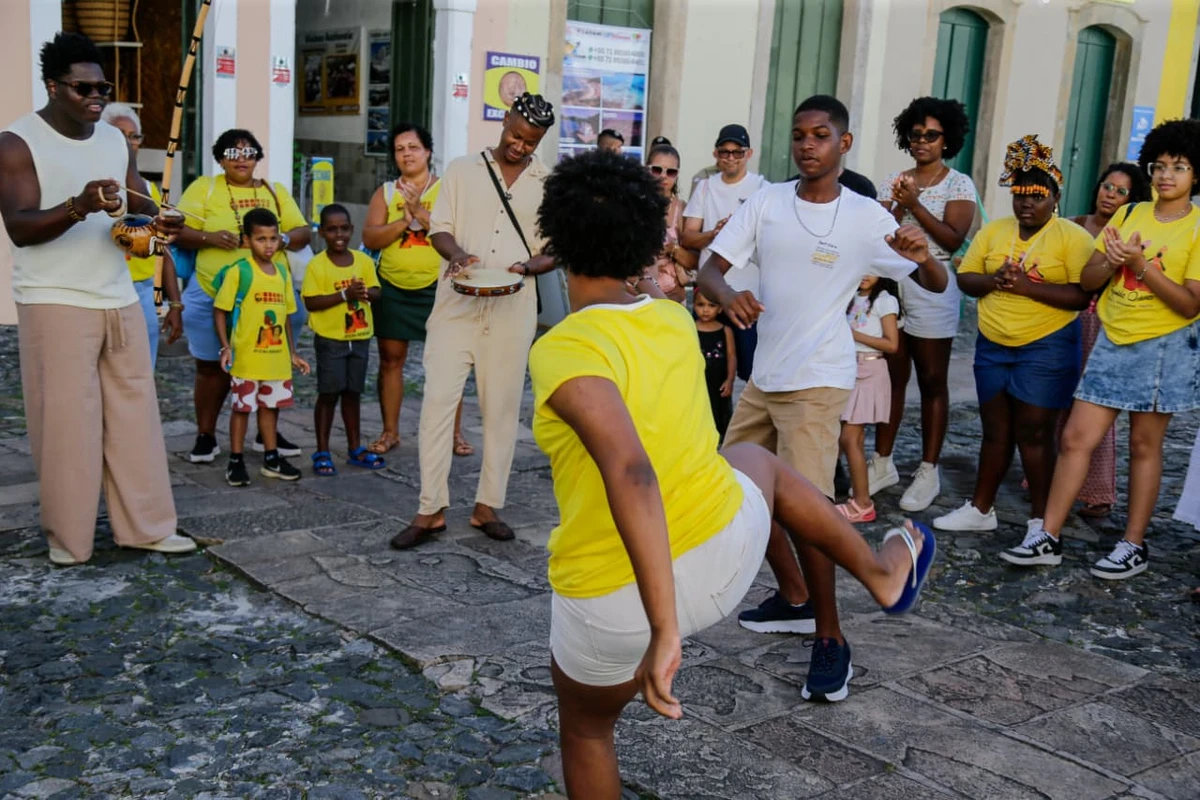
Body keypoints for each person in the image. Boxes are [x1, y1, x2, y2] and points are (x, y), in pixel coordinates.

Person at [530, 149, 934, 799]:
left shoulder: (564, 349)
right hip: (725, 557)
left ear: (554, 243)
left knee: (586, 732)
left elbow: (631, 472)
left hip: (622, 599)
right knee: (755, 460)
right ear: (646, 242)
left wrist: (664, 627)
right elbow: (651, 307)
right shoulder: (670, 317)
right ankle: (879, 572)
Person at [697, 95, 946, 702]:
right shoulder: (767, 201)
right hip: (765, 378)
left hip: (819, 377)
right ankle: (796, 598)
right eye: (799, 135)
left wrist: (923, 257)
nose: (807, 145)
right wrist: (727, 296)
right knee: (733, 494)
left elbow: (937, 281)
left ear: (844, 143)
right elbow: (709, 268)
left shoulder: (864, 216)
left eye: (820, 135)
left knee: (809, 515)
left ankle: (831, 636)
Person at [0, 31, 195, 564]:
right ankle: (70, 539)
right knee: (68, 426)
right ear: (53, 87)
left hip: (118, 295)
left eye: (102, 88)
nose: (95, 97)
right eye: (83, 88)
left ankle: (147, 527)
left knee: (137, 417)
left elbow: (136, 208)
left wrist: (161, 223)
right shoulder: (16, 143)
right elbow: (20, 227)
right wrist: (78, 206)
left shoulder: (112, 139)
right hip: (54, 299)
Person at [1003, 120, 1200, 579]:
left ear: (1196, 174)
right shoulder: (1129, 215)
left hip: (1164, 347)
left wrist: (1140, 265)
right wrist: (1110, 262)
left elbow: (1190, 304)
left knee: (1144, 445)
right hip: (1113, 338)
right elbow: (1089, 280)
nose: (1166, 175)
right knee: (1075, 438)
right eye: (1159, 165)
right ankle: (1047, 535)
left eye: (1179, 167)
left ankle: (1133, 544)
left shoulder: (1197, 227)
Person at [390, 93, 559, 549]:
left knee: (501, 410)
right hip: (456, 307)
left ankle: (488, 506)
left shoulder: (548, 184)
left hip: (512, 310)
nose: (519, 146)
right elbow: (439, 228)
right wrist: (458, 255)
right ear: (505, 120)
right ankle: (430, 510)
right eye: (515, 135)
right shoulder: (463, 170)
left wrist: (532, 267)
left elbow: (556, 248)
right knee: (437, 406)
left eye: (530, 142)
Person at [935, 136, 1093, 536]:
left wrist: (1025, 286)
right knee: (995, 430)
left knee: (1035, 432)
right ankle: (981, 508)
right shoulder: (994, 231)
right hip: (993, 343)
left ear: (1055, 197)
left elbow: (1081, 295)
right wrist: (995, 280)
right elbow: (967, 278)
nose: (1027, 203)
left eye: (1037, 196)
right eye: (1020, 195)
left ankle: (1042, 521)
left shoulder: (1073, 237)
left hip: (1046, 346)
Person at [175, 128, 311, 464]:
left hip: (269, 296)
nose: (241, 160)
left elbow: (302, 231)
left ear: (257, 157)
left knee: (270, 363)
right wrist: (209, 238)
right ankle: (206, 435)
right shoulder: (204, 188)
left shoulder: (274, 191)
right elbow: (176, 229)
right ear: (220, 159)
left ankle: (267, 434)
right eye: (232, 153)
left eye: (248, 153)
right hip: (212, 290)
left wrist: (281, 240)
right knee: (211, 366)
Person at [872, 98, 978, 511]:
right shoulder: (893, 181)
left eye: (931, 135)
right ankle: (882, 461)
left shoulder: (958, 184)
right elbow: (879, 229)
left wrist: (914, 204)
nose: (922, 142)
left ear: (946, 140)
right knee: (891, 377)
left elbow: (952, 237)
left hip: (936, 282)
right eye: (915, 135)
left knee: (932, 379)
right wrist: (900, 202)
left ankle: (928, 469)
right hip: (893, 282)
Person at [361, 123, 470, 457]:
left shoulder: (448, 189)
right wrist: (402, 221)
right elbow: (370, 238)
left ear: (428, 152)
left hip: (439, 288)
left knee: (448, 363)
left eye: (413, 147)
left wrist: (420, 212)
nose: (406, 154)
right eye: (399, 149)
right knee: (391, 361)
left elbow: (459, 237)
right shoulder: (385, 192)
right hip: (393, 287)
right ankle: (390, 432)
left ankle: (453, 434)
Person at [1065, 163, 1152, 517]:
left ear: (1133, 199)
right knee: (1060, 401)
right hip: (1063, 320)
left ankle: (1097, 491)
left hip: (1103, 324)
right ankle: (1053, 477)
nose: (1110, 195)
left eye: (1121, 192)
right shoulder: (1072, 224)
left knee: (1095, 407)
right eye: (1107, 186)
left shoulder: (1131, 234)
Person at [214, 208, 311, 486]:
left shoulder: (282, 273)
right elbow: (220, 310)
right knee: (242, 409)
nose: (268, 245)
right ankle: (235, 459)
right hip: (246, 359)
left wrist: (292, 352)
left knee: (271, 408)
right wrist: (226, 347)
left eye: (273, 238)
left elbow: (287, 316)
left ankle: (271, 457)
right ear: (247, 240)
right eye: (261, 239)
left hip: (276, 360)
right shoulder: (240, 272)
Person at [302, 204, 384, 476]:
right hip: (331, 340)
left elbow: (377, 291)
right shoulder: (317, 265)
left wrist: (364, 292)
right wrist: (344, 295)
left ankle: (355, 447)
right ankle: (322, 450)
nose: (339, 234)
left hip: (359, 338)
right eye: (332, 229)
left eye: (344, 228)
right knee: (329, 393)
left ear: (352, 230)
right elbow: (311, 302)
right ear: (322, 232)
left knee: (353, 393)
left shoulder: (363, 261)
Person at [681, 124, 767, 380]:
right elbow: (688, 235)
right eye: (724, 152)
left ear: (748, 154)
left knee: (749, 370)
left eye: (737, 152)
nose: (730, 157)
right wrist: (714, 234)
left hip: (747, 292)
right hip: (711, 295)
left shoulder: (762, 188)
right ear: (715, 154)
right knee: (706, 369)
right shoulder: (705, 187)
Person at [100, 102, 183, 365]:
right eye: (120, 135)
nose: (129, 142)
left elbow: (162, 246)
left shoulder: (146, 188)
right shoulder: (92, 186)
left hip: (142, 289)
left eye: (134, 136)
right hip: (101, 286)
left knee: (142, 366)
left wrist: (175, 303)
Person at [838, 276, 901, 522]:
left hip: (870, 370)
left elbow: (892, 344)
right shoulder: (849, 295)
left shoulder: (885, 301)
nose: (866, 274)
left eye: (872, 269)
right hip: (846, 369)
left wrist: (853, 335)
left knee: (850, 438)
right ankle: (824, 492)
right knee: (839, 436)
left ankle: (863, 503)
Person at [645, 143, 697, 303]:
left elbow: (694, 261)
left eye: (671, 172)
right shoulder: (633, 205)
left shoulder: (683, 210)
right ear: (647, 169)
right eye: (657, 170)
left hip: (672, 295)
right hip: (636, 294)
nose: (663, 176)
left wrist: (672, 249)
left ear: (677, 174)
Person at [693, 288, 736, 440]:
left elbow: (731, 356)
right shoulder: (690, 328)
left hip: (718, 381)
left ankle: (718, 441)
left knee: (718, 411)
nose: (705, 310)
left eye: (711, 305)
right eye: (701, 305)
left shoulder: (725, 330)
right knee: (698, 411)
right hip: (697, 381)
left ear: (720, 308)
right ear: (694, 305)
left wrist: (730, 380)